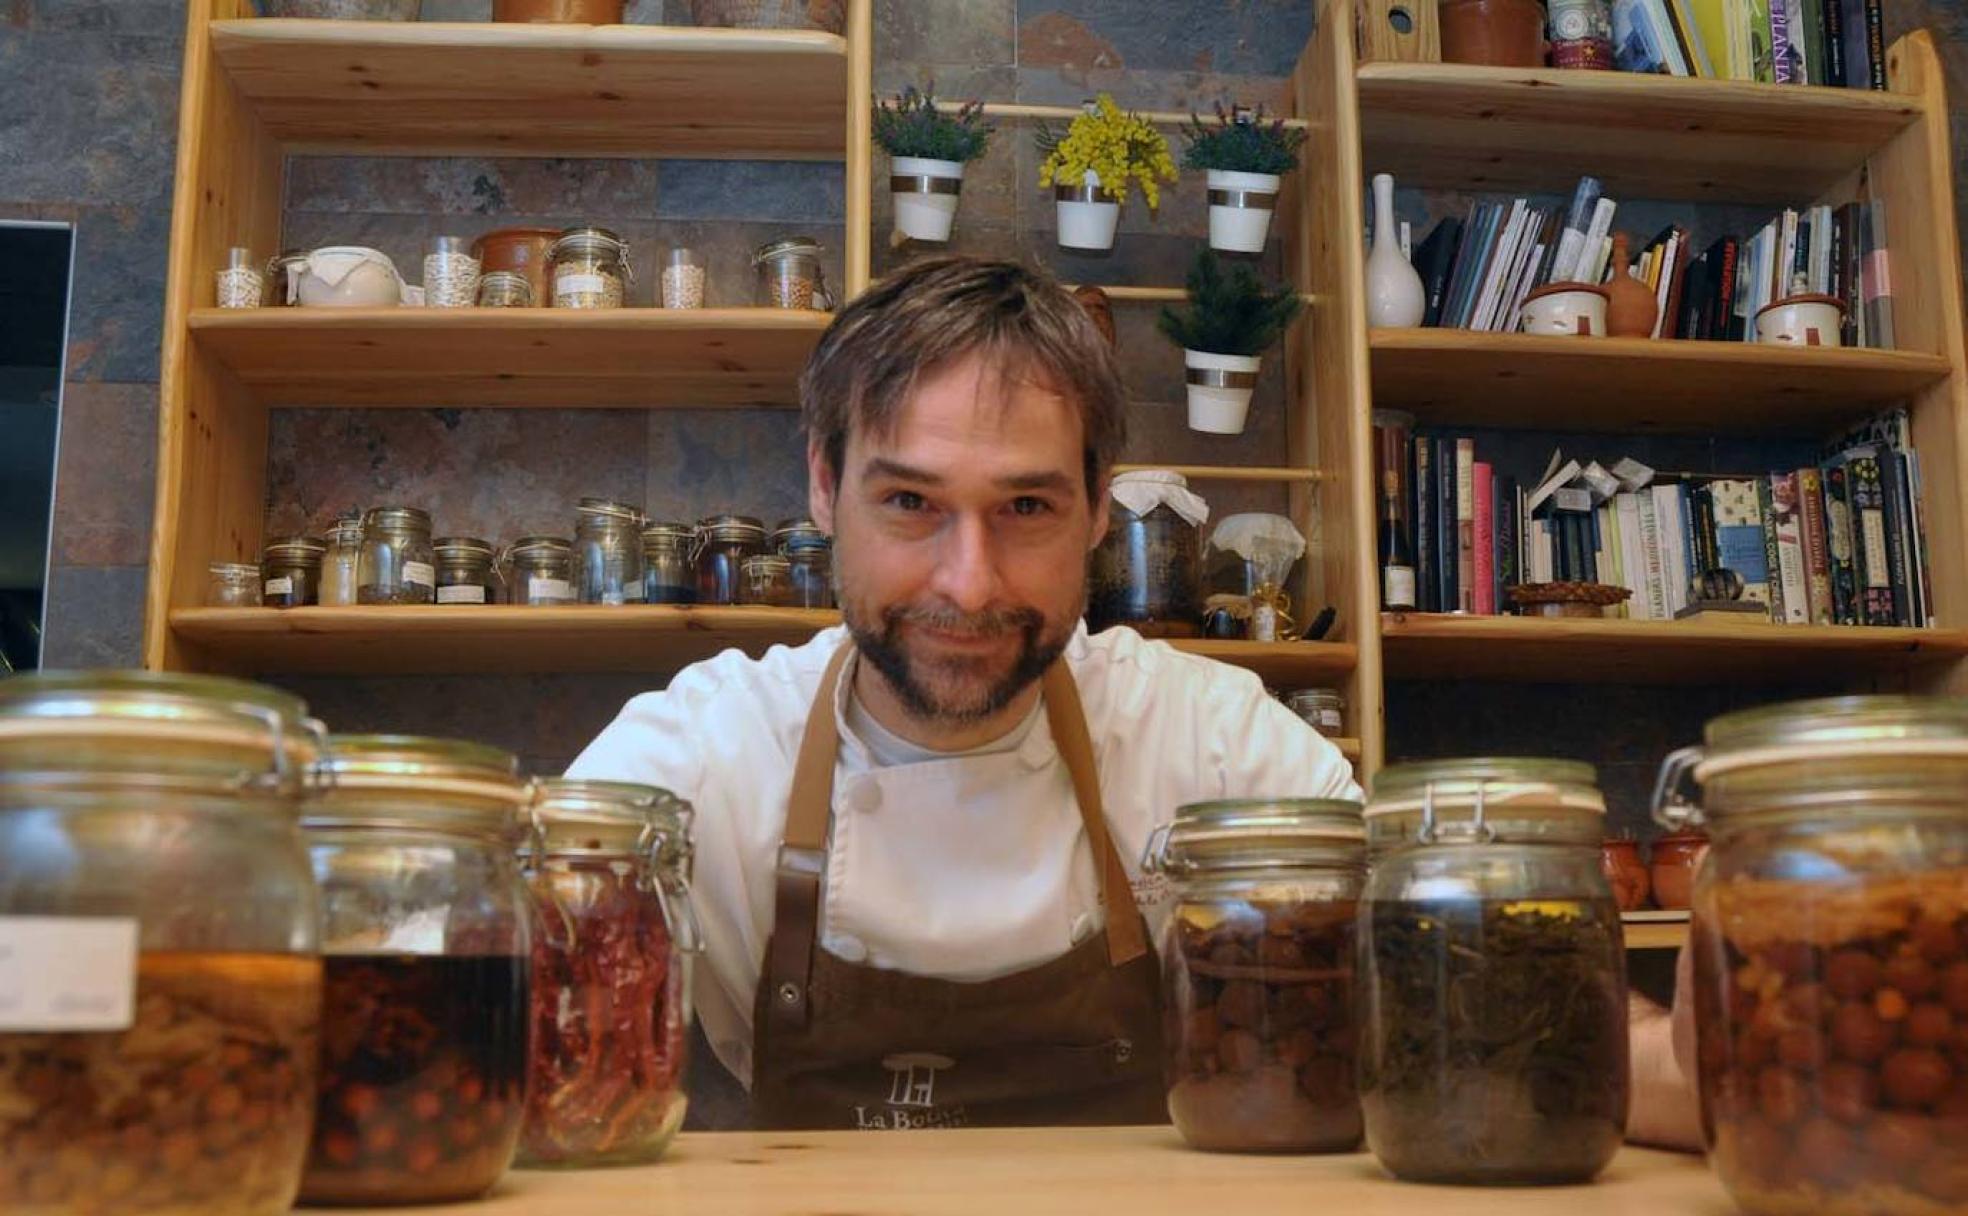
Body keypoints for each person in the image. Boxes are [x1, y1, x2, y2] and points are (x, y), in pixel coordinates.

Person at [569, 254, 1699, 1144]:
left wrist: (1677, 1061)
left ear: (1102, 507)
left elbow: (1454, 993)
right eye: (911, 500)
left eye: (1027, 509)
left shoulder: (1215, 744)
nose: (969, 581)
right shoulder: (697, 756)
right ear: (822, 485)